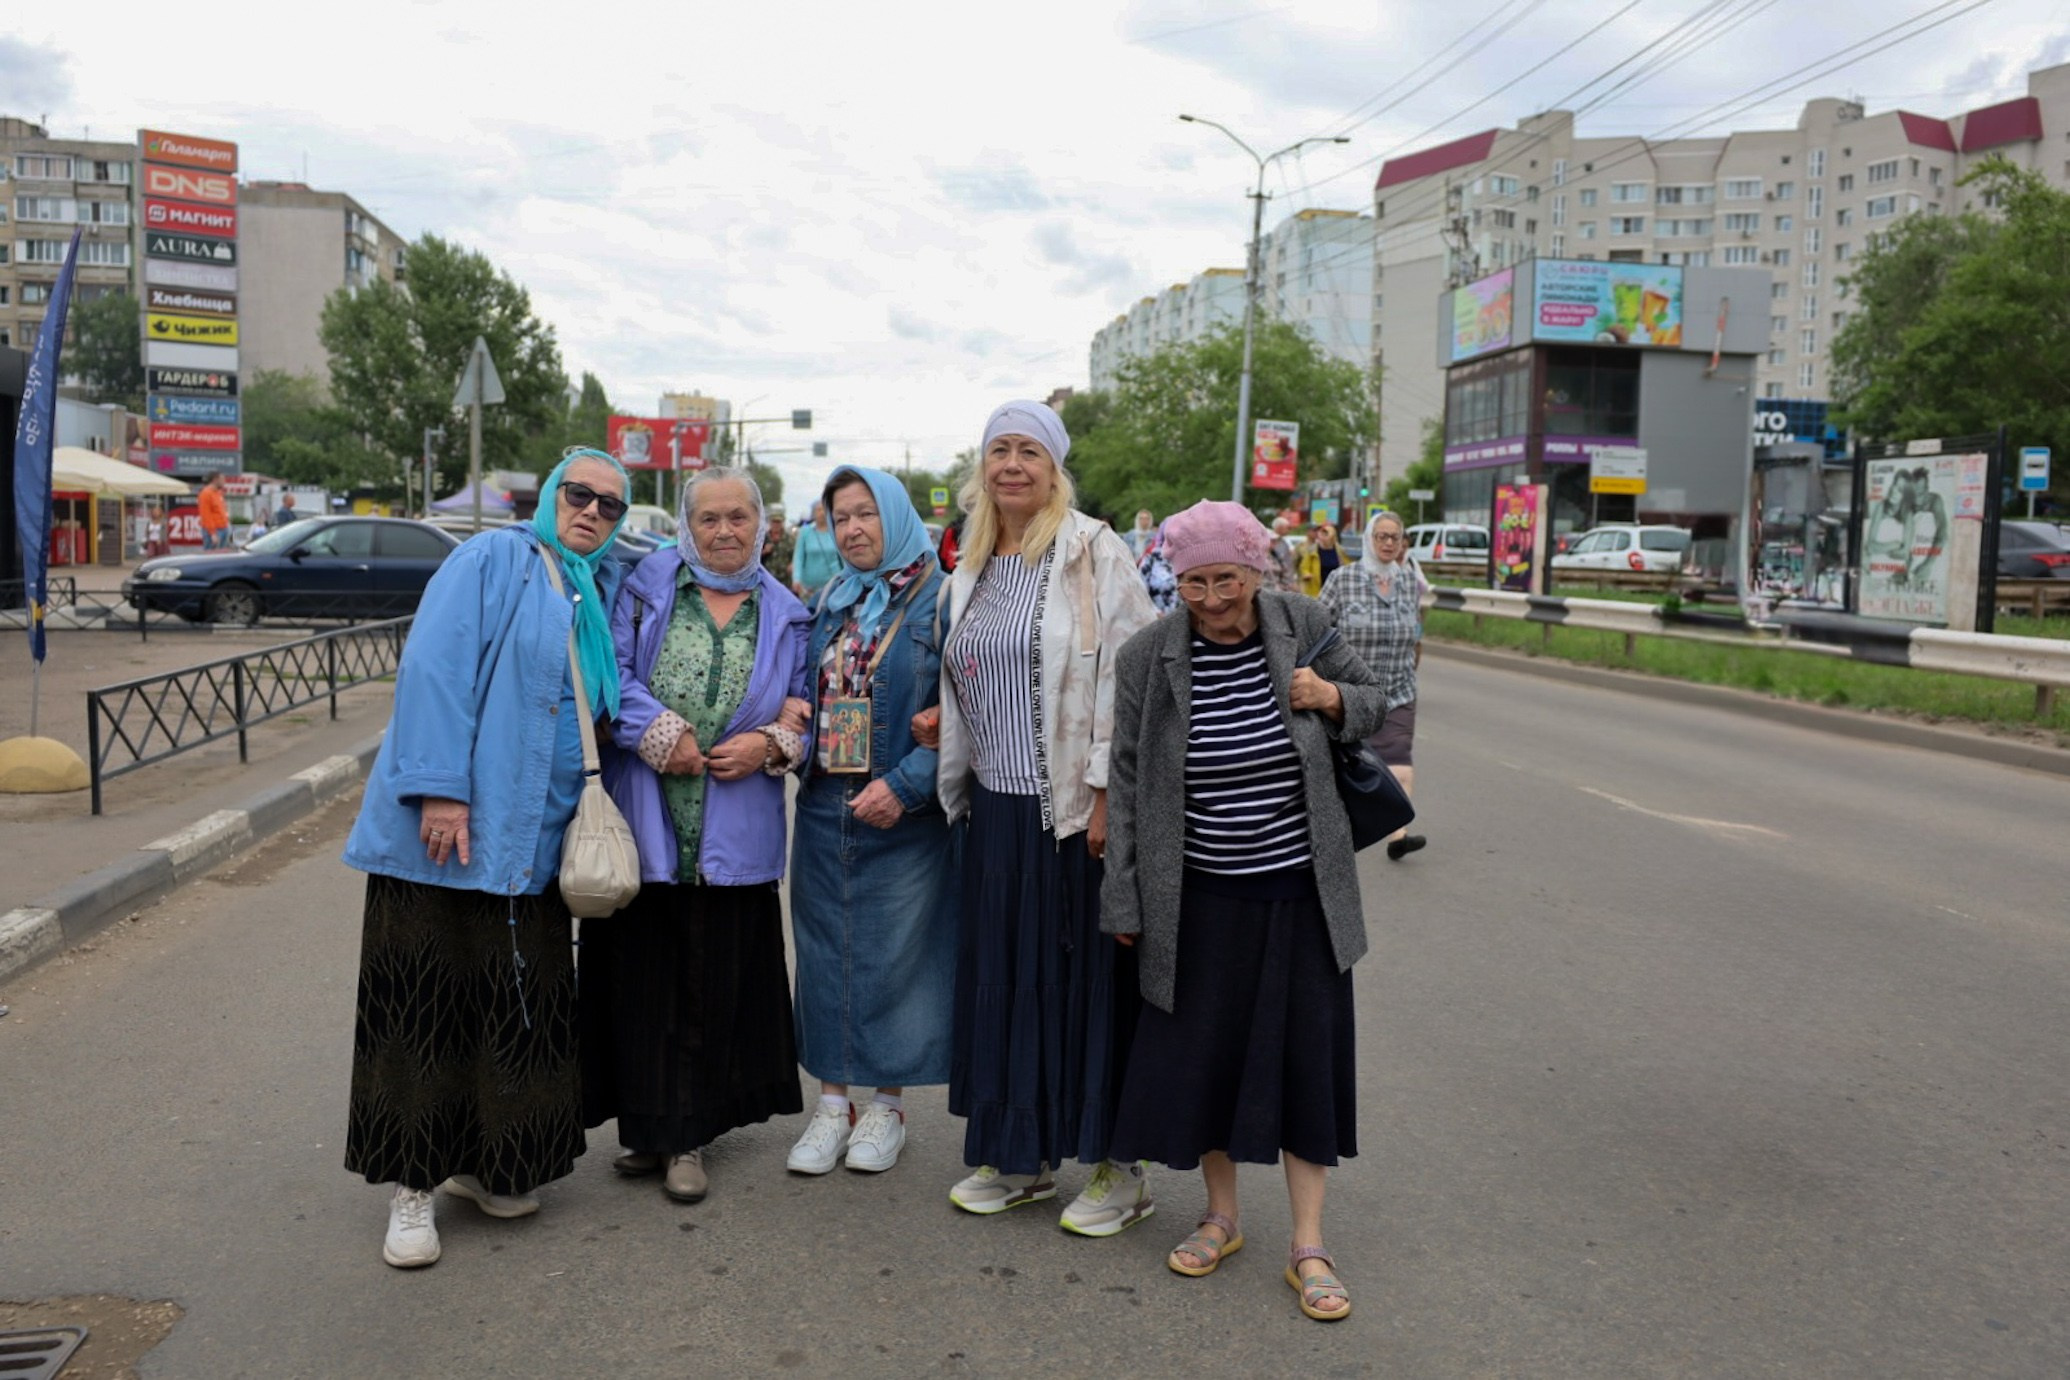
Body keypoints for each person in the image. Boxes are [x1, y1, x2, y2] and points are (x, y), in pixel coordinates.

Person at [340, 446, 633, 1269]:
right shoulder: (495, 558)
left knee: (513, 1015)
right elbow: (435, 669)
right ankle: (411, 1192)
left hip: (527, 854)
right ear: (551, 495)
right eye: (580, 495)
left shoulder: (585, 592)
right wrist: (439, 788)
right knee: (422, 1014)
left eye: (610, 507)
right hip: (444, 839)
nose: (593, 514)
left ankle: (490, 1165)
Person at [1101, 498, 1384, 1323]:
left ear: (1257, 571)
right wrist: (1124, 893)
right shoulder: (1149, 655)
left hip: (1299, 892)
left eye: (1227, 579)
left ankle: (1308, 1243)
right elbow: (1125, 782)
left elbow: (1376, 701)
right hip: (1197, 894)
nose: (1214, 599)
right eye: (1194, 583)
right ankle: (1221, 1217)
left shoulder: (1303, 621)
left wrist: (1329, 696)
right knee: (1208, 1061)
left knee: (1304, 1064)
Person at [929, 399, 1158, 1235]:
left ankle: (1116, 1169)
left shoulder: (1096, 552)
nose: (1012, 465)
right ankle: (1020, 1159)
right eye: (999, 450)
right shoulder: (975, 564)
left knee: (1086, 991)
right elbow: (973, 673)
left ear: (1055, 469)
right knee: (1005, 989)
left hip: (1070, 816)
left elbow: (1131, 685)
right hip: (993, 811)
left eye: (1030, 451)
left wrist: (1104, 797)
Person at [581, 466, 814, 1206]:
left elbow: (809, 706)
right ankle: (648, 1129)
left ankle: (687, 1135)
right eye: (708, 518)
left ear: (761, 524)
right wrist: (659, 733)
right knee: (642, 975)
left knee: (709, 979)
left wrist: (771, 745)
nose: (723, 531)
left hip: (734, 824)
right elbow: (608, 676)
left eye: (738, 518)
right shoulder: (645, 587)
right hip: (647, 814)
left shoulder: (788, 613)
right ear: (687, 524)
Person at [783, 465, 957, 1176]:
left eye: (865, 514)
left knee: (897, 961)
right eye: (839, 518)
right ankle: (831, 1107)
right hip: (827, 802)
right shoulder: (829, 601)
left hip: (904, 812)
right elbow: (802, 689)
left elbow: (969, 714)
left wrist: (910, 785)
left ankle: (886, 1105)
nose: (852, 530)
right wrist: (791, 719)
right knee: (824, 956)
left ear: (895, 516)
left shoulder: (944, 603)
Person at [1320, 509, 1428, 860]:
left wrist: (1416, 655)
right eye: (1381, 536)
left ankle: (1398, 834)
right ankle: (1333, 833)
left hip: (1399, 687)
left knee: (1399, 758)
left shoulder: (1409, 582)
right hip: (1351, 692)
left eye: (1394, 537)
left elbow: (1415, 630)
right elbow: (1319, 628)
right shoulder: (1342, 579)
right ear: (1368, 539)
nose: (1388, 543)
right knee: (1349, 766)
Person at [791, 499, 841, 603]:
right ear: (813, 513)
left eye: (824, 509)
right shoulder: (805, 532)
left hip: (833, 584)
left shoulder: (836, 531)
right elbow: (798, 557)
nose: (822, 513)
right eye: (818, 510)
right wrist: (796, 578)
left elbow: (843, 558)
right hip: (809, 587)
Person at [1138, 521, 1178, 614]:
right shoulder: (1152, 558)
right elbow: (1138, 592)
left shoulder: (1193, 558)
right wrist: (1155, 613)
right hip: (1157, 621)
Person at [1296, 521, 1343, 598]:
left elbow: (1346, 563)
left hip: (1335, 588)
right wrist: (1305, 575)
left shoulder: (1339, 550)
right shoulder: (1310, 549)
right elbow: (1301, 565)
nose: (1317, 533)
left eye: (1326, 534)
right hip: (1315, 587)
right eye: (1314, 530)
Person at [762, 503, 796, 587]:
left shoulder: (790, 539)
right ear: (769, 522)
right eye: (774, 522)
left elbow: (797, 556)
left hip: (785, 582)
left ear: (783, 522)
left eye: (778, 522)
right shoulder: (762, 538)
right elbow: (753, 559)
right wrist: (764, 551)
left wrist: (793, 564)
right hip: (767, 580)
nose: (776, 525)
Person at [1267, 516, 1301, 594]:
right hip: (1274, 588)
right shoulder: (1272, 547)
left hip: (1284, 585)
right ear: (1279, 528)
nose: (1289, 530)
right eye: (1287, 528)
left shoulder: (1284, 542)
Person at [198, 475, 230, 550]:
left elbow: (223, 510)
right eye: (222, 479)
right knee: (211, 556)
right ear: (215, 480)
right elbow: (206, 515)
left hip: (224, 528)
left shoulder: (219, 493)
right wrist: (212, 533)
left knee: (222, 555)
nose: (224, 482)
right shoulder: (205, 494)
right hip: (215, 530)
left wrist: (227, 523)